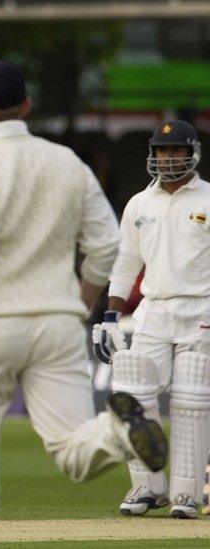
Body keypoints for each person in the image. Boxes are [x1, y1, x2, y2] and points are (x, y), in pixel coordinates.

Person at [0, 60, 168, 549]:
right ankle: (120, 434)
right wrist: (78, 303)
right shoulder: (68, 163)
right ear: (25, 106)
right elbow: (107, 247)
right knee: (72, 449)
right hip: (56, 323)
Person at [92, 120, 210, 519]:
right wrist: (111, 313)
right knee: (132, 391)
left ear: (191, 153)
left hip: (202, 309)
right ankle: (148, 486)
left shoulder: (208, 198)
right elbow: (126, 263)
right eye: (162, 151)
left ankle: (188, 494)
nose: (168, 158)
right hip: (153, 309)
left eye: (175, 151)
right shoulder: (139, 205)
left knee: (191, 401)